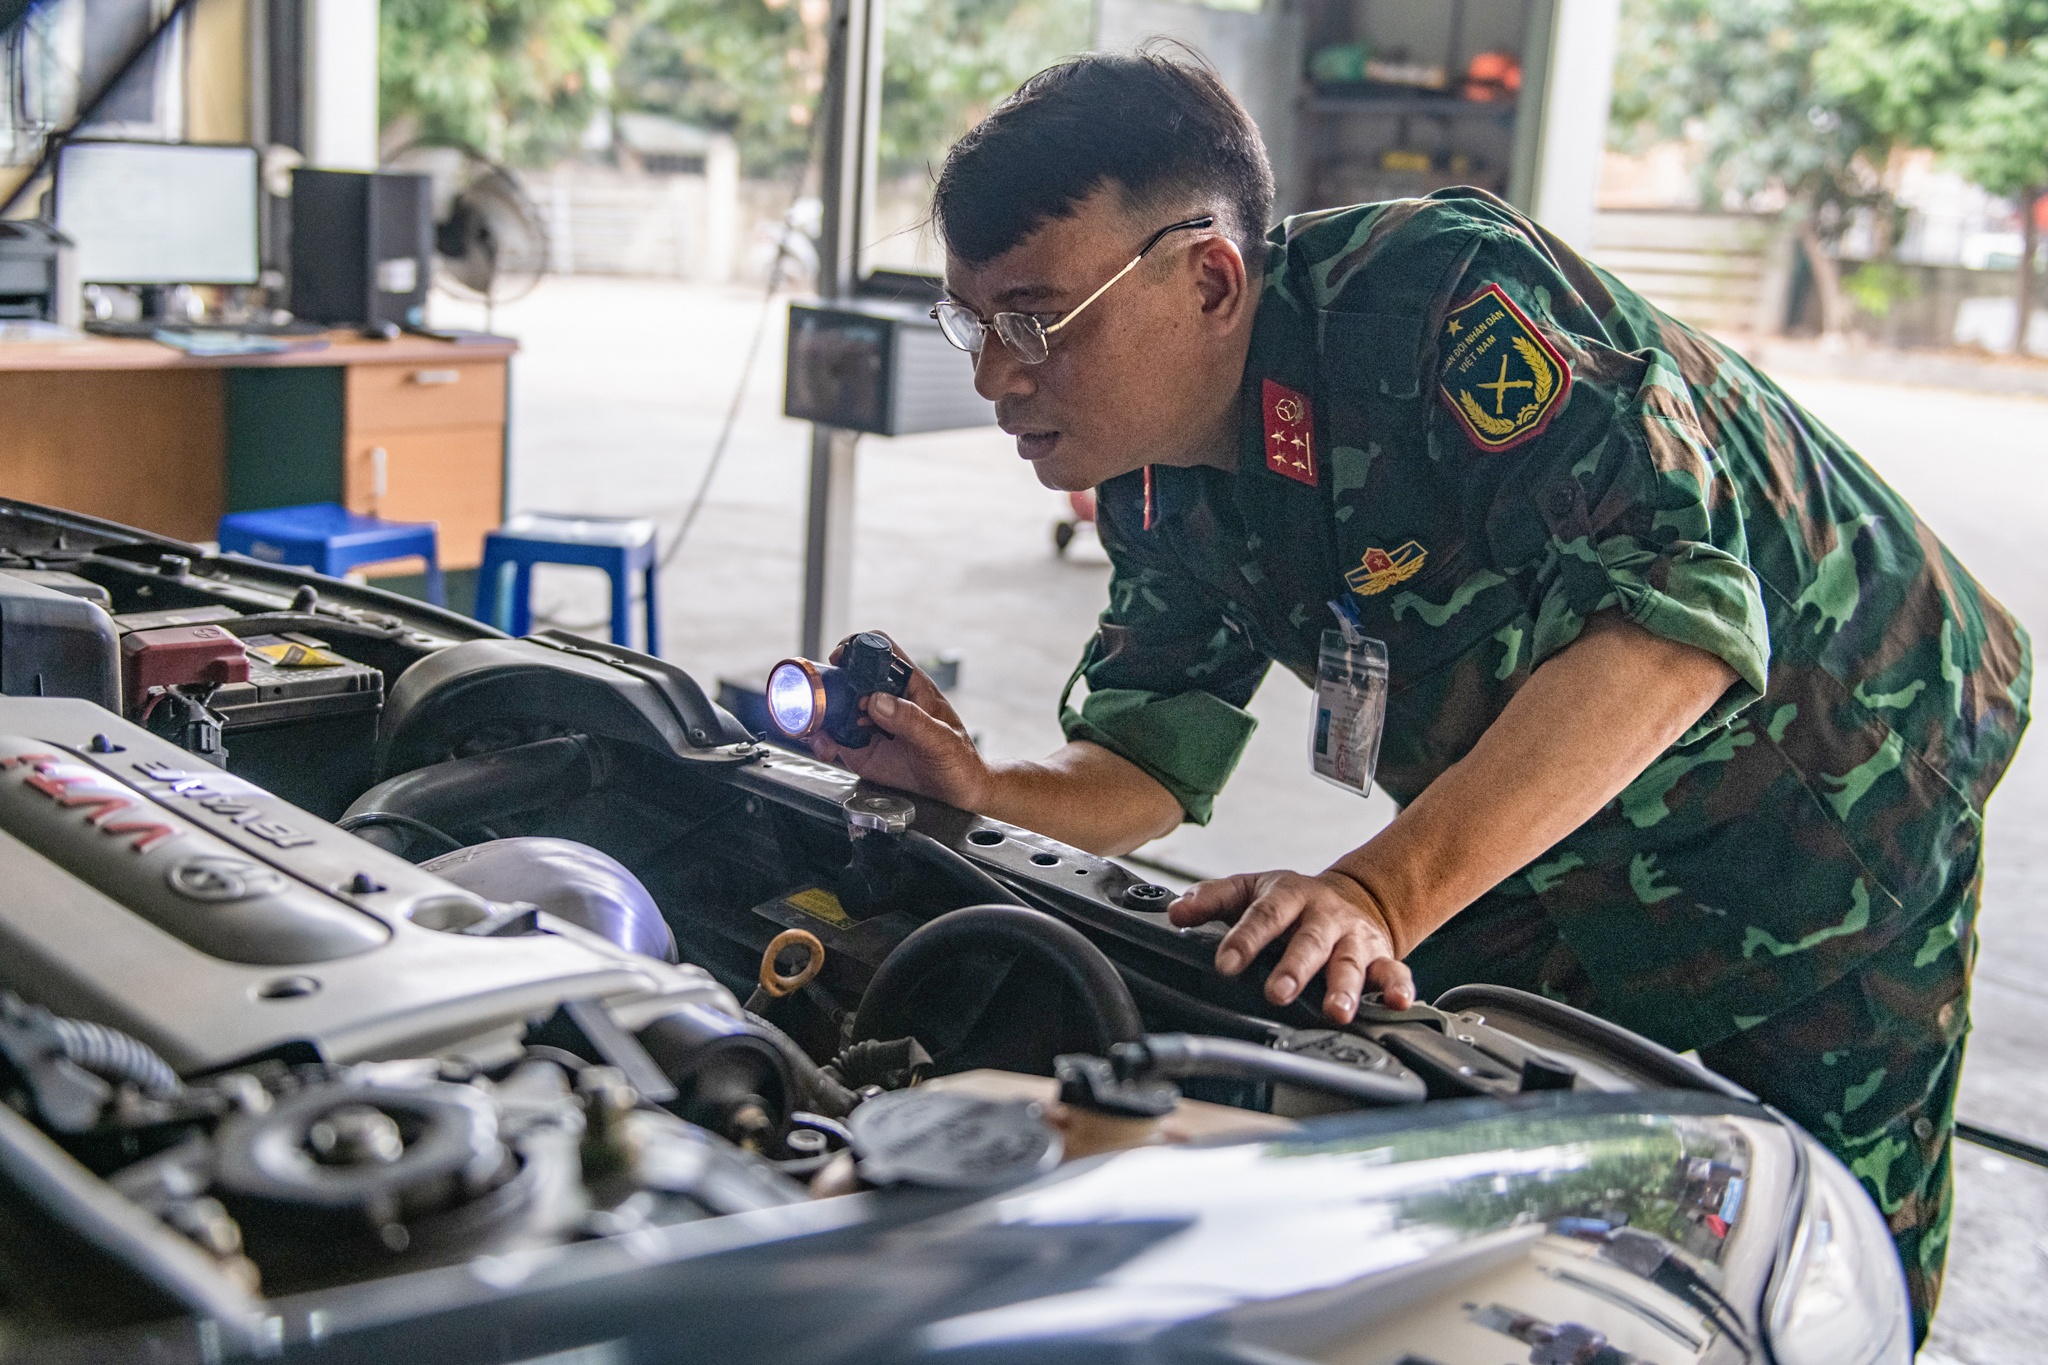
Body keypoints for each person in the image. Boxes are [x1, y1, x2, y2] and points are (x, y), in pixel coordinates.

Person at [803, 51, 2029, 1339]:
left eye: (1037, 323)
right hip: (1540, 809)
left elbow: (1675, 631)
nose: (997, 375)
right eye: (974, 323)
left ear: (1210, 278)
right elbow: (1149, 757)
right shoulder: (1158, 476)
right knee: (1471, 1158)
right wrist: (988, 790)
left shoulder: (1440, 301)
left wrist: (1378, 890)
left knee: (1806, 1272)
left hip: (1835, 778)